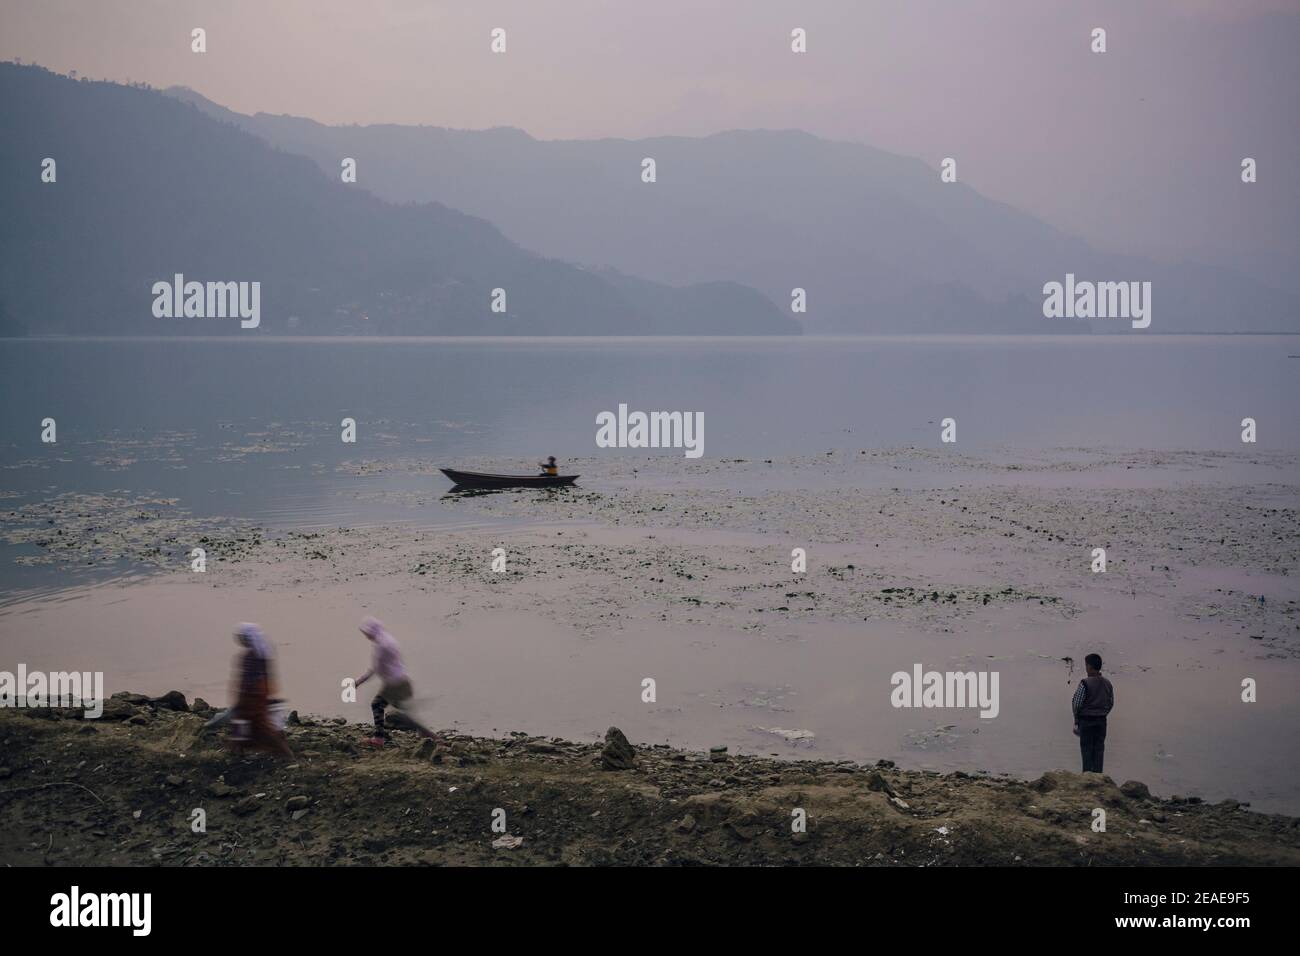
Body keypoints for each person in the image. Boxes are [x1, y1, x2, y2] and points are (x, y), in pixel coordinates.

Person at [355, 616, 435, 747]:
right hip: (402, 681)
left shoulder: (381, 646)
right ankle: (424, 732)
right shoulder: (388, 639)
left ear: (371, 631)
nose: (365, 636)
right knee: (400, 712)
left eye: (366, 633)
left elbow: (375, 669)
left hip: (394, 685)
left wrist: (358, 682)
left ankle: (379, 739)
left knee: (377, 705)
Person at [214, 623, 291, 757]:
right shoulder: (260, 654)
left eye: (241, 638)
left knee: (257, 729)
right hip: (254, 698)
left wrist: (243, 700)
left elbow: (250, 680)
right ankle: (236, 753)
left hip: (252, 700)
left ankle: (286, 755)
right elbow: (265, 678)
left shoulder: (252, 657)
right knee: (244, 727)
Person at [1071, 653, 1114, 773]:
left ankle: (1087, 776)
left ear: (1089, 666)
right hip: (1101, 721)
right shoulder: (1107, 683)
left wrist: (1076, 719)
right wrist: (1103, 713)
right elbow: (1110, 703)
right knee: (1099, 749)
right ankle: (1098, 777)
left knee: (1086, 749)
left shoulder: (1085, 683)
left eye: (1086, 665)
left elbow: (1077, 703)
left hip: (1087, 720)